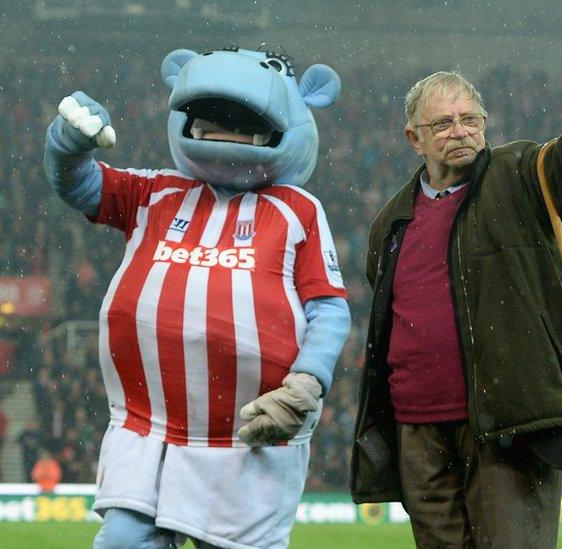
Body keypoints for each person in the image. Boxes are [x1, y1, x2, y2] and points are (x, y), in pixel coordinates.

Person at [351, 19, 562, 547]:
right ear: (414, 138)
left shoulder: (520, 175)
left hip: (506, 423)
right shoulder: (391, 222)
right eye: (442, 124)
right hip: (418, 432)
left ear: (485, 123)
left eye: (469, 119)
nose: (459, 131)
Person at [43, 47, 350, 548]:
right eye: (211, 118)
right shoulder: (156, 192)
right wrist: (68, 143)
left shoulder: (299, 210)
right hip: (148, 430)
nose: (225, 129)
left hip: (247, 439)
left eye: (241, 121)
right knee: (123, 541)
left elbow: (329, 308)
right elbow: (80, 185)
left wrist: (308, 381)